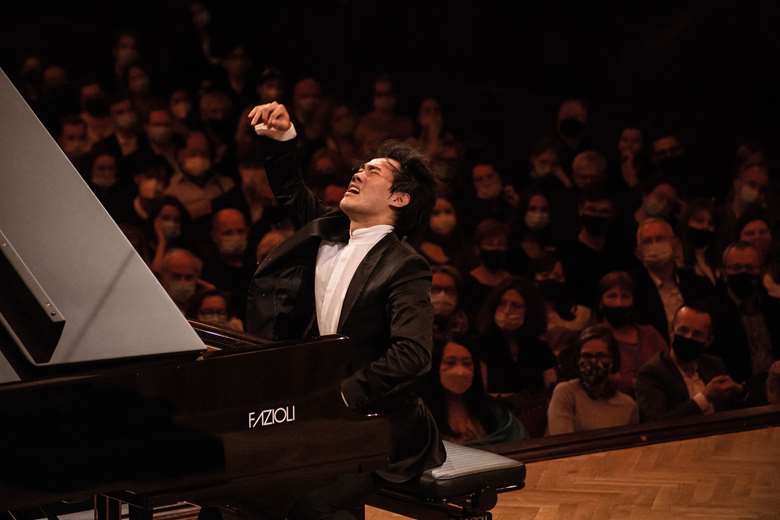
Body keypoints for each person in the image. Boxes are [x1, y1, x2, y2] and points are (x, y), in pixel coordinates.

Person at [245, 101, 444, 519]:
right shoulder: (328, 229)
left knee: (316, 496)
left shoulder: (406, 265)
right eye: (360, 167)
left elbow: (413, 354)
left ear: (400, 197)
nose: (357, 173)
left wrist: (341, 395)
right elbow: (291, 191)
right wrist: (281, 138)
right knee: (244, 486)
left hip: (377, 417)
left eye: (373, 171)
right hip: (315, 409)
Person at [635, 305, 743, 421]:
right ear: (672, 331)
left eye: (697, 334)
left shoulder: (714, 365)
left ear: (708, 341)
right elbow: (657, 423)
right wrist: (704, 398)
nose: (688, 337)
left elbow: (730, 410)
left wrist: (739, 391)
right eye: (683, 330)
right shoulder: (651, 373)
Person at [710, 241, 780, 403]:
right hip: (736, 396)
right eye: (736, 268)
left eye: (750, 268)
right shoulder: (712, 313)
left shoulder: (775, 308)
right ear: (724, 271)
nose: (743, 273)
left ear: (761, 271)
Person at [424, 337, 527, 446]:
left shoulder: (495, 412)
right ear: (435, 368)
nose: (460, 372)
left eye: (467, 363)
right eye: (450, 363)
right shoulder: (421, 416)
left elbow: (518, 441)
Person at [547, 325, 639, 435]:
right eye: (587, 356)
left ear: (613, 360)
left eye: (601, 356)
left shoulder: (628, 406)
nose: (594, 362)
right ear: (577, 360)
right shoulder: (566, 392)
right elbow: (562, 442)